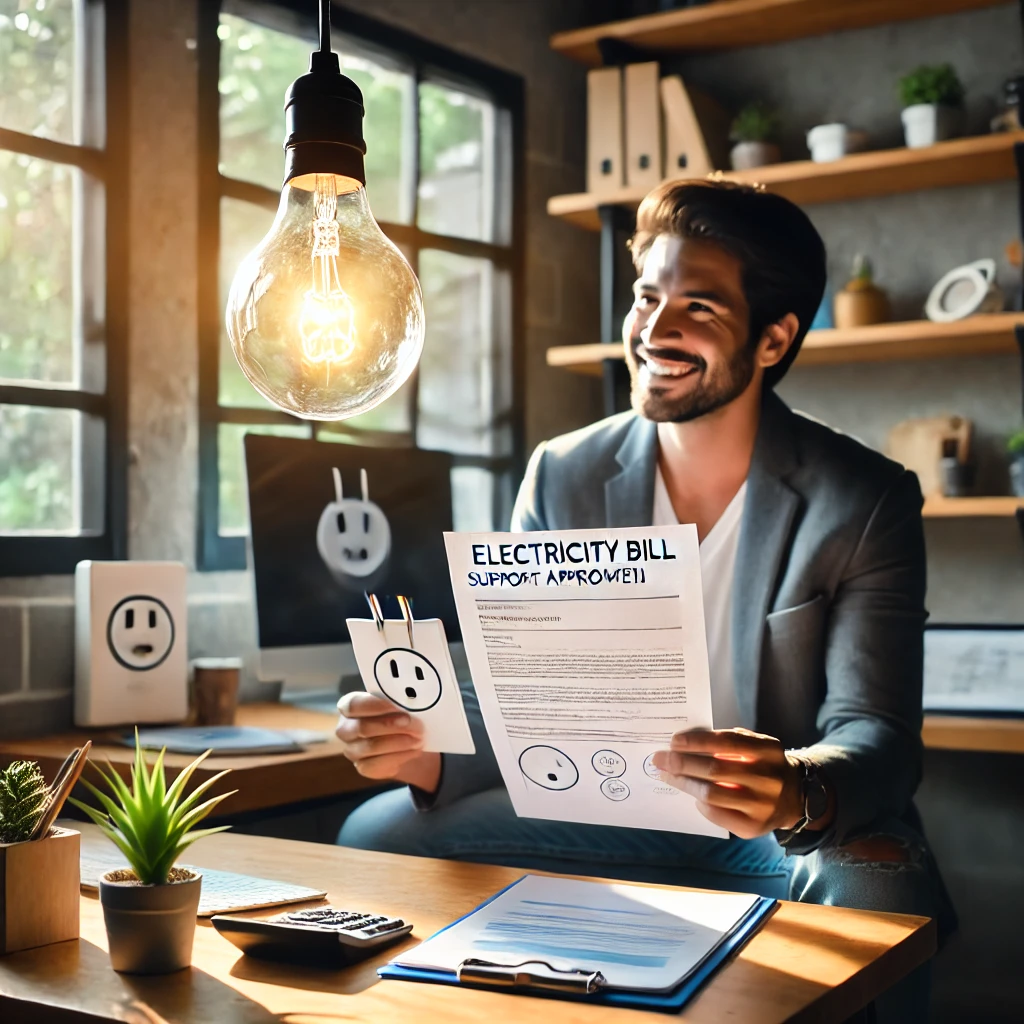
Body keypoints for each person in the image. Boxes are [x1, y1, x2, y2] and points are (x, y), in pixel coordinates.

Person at [335, 180, 951, 1018]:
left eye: (698, 307)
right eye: (646, 297)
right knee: (377, 832)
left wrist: (795, 785)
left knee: (880, 880)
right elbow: (522, 702)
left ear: (774, 338)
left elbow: (879, 739)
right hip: (608, 810)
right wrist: (424, 751)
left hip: (772, 839)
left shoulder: (864, 498)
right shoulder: (564, 472)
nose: (654, 331)